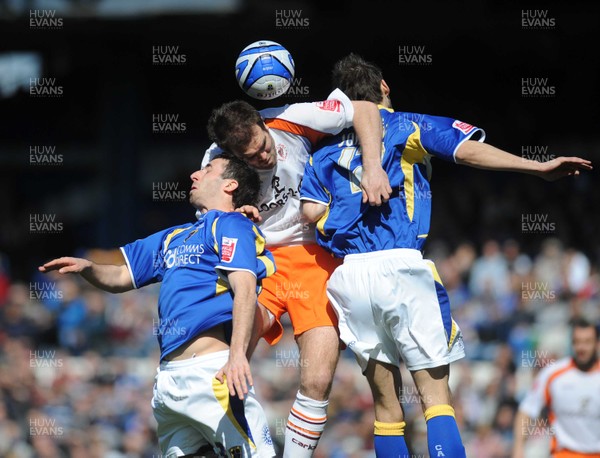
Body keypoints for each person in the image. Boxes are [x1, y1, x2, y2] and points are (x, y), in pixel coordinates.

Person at [300, 53, 593, 458]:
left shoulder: (322, 152)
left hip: (349, 277)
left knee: (386, 408)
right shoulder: (404, 124)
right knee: (436, 399)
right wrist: (536, 168)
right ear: (384, 87)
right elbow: (467, 151)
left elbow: (311, 214)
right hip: (400, 266)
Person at [39, 153, 277, 458]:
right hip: (167, 382)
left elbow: (245, 290)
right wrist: (89, 268)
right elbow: (123, 275)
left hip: (210, 375)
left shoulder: (231, 224)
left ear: (230, 184)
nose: (194, 174)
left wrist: (237, 356)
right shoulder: (173, 236)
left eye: (207, 170)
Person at [204, 91, 390, 456]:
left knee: (318, 379)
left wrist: (373, 166)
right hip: (258, 264)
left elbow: (366, 110)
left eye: (262, 145)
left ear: (263, 121)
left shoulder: (295, 117)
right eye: (251, 157)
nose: (262, 156)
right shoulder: (214, 160)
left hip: (314, 258)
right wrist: (230, 218)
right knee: (219, 367)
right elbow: (206, 215)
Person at [513, 318, 600, 458]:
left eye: (587, 342)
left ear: (597, 344)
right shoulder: (553, 374)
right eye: (577, 342)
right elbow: (526, 410)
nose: (581, 348)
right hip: (564, 453)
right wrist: (518, 449)